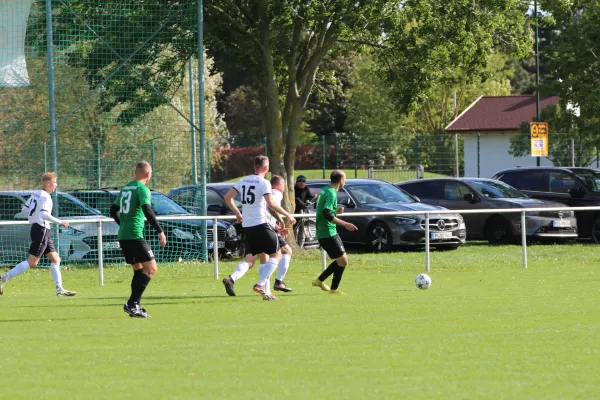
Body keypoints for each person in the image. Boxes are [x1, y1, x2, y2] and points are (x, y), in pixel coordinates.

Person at [223, 156, 296, 300]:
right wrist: (288, 215)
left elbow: (227, 197)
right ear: (266, 167)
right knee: (277, 254)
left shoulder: (243, 181)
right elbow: (271, 204)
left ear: (254, 166)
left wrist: (237, 213)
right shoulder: (264, 183)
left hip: (247, 226)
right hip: (261, 224)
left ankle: (266, 292)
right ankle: (261, 284)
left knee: (257, 257)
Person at [0, 172, 76, 296]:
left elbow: (24, 210)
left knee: (55, 259)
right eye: (54, 182)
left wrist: (32, 218)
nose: (56, 185)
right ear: (47, 183)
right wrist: (60, 221)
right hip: (42, 230)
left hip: (38, 229)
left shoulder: (36, 193)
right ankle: (3, 278)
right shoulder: (46, 197)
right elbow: (43, 214)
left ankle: (59, 289)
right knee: (32, 262)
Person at [110, 161, 166, 318]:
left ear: (136, 172)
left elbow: (113, 210)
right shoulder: (143, 189)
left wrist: (123, 224)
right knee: (152, 269)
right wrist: (160, 231)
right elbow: (147, 210)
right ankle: (132, 303)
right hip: (135, 235)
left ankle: (135, 306)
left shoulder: (126, 187)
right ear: (148, 174)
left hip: (123, 235)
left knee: (139, 269)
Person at [312, 170, 358, 295]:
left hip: (325, 232)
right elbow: (326, 214)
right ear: (341, 180)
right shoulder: (331, 193)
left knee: (342, 261)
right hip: (328, 232)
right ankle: (331, 288)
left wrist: (335, 210)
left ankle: (321, 282)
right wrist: (345, 224)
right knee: (343, 261)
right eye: (345, 179)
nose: (345, 181)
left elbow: (320, 208)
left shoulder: (325, 190)